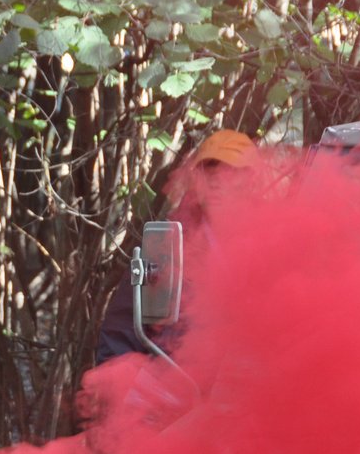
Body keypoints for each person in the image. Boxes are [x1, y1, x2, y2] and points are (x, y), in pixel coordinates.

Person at [93, 129, 256, 366]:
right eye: (208, 173)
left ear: (250, 181)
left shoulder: (269, 244)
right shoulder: (167, 243)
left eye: (228, 174)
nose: (217, 184)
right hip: (175, 382)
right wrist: (118, 387)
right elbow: (123, 328)